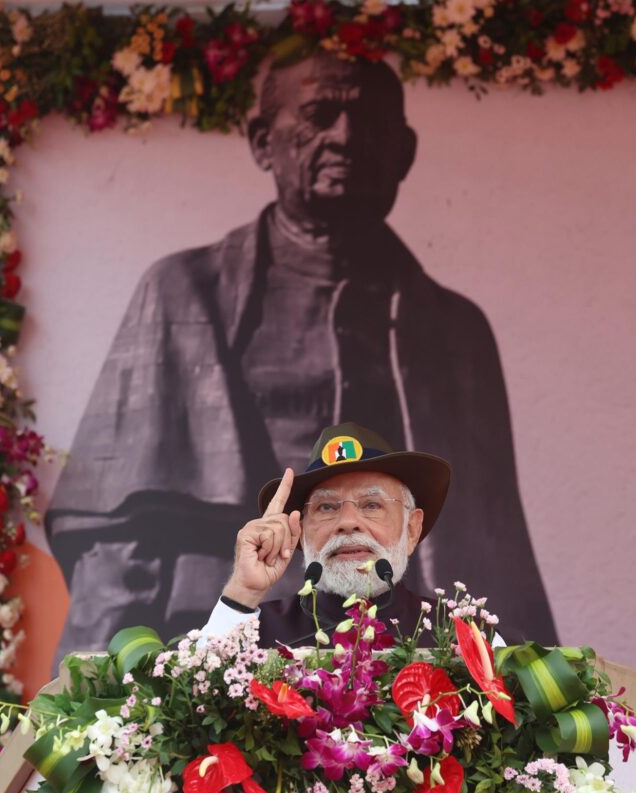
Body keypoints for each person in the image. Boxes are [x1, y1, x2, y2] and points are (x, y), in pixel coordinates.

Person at [47, 53, 556, 660]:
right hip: (226, 635)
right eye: (319, 115)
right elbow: (120, 536)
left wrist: (528, 689)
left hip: (408, 661)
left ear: (404, 153)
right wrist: (98, 706)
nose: (344, 138)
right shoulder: (183, 292)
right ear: (264, 143)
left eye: (367, 125)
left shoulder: (455, 328)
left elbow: (496, 545)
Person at [203, 422, 456, 647]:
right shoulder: (255, 634)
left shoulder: (461, 637)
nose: (347, 522)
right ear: (300, 531)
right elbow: (192, 694)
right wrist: (243, 591)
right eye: (326, 507)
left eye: (371, 504)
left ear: (411, 529)